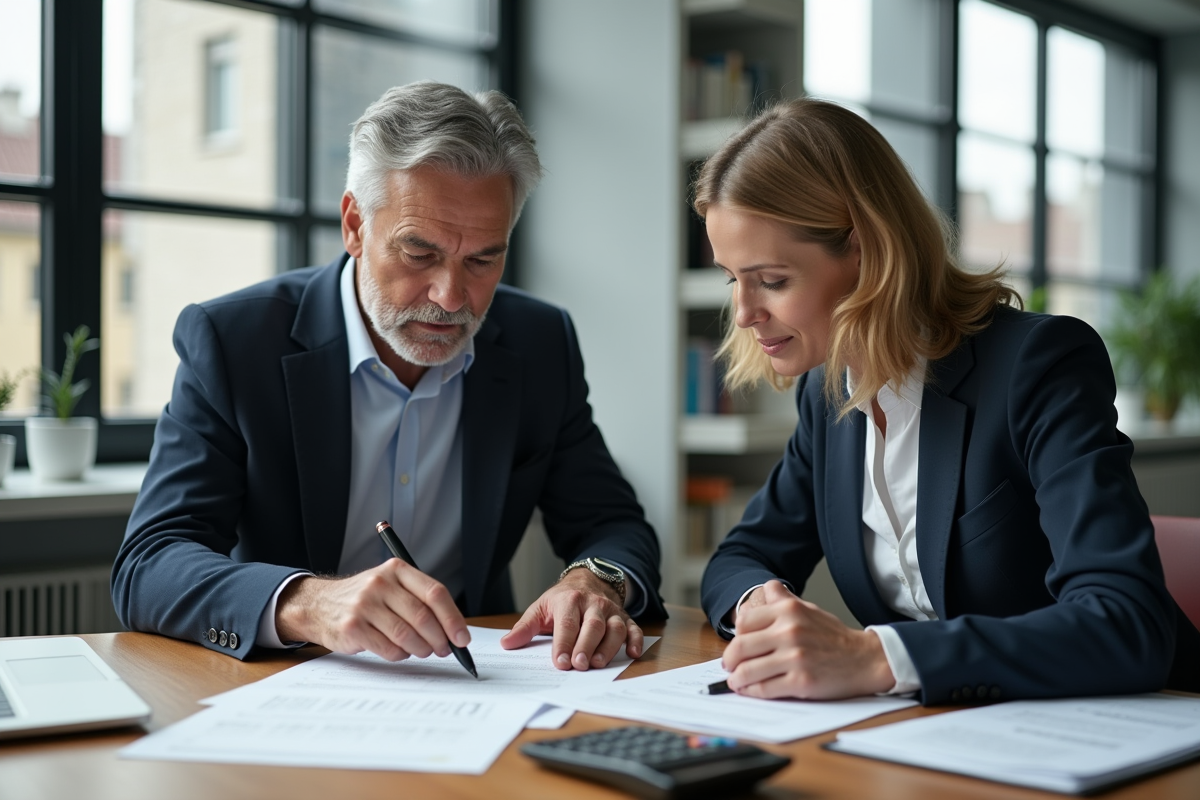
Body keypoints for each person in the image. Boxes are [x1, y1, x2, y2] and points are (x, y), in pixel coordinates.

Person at [112, 82, 665, 671]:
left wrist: (594, 581)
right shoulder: (234, 342)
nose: (450, 297)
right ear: (354, 224)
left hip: (484, 680)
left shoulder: (539, 342)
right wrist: (309, 603)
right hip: (292, 678)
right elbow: (149, 564)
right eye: (419, 253)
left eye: (483, 259)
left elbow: (612, 523)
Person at [698, 98, 1200, 705]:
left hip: (1129, 724)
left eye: (772, 280)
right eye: (733, 278)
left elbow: (1127, 622)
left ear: (864, 249)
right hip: (938, 733)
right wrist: (762, 602)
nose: (744, 313)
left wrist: (876, 657)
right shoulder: (826, 395)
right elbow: (741, 557)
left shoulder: (1038, 365)